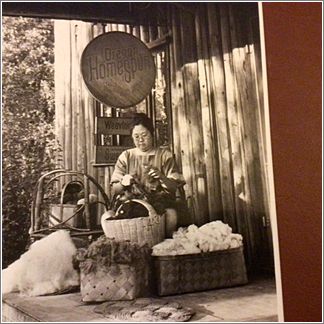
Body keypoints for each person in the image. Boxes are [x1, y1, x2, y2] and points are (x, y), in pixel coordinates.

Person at [110, 113, 186, 235]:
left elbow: (173, 188)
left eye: (144, 135)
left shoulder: (165, 156)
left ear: (152, 133)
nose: (140, 140)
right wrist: (124, 182)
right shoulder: (126, 156)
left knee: (171, 216)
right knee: (107, 217)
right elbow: (115, 189)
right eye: (136, 136)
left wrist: (162, 177)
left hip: (159, 204)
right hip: (132, 204)